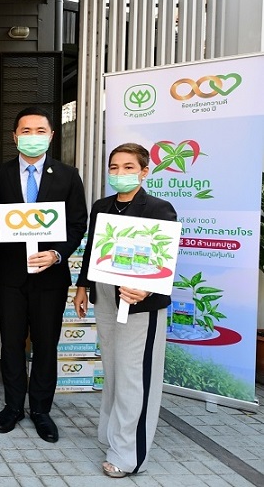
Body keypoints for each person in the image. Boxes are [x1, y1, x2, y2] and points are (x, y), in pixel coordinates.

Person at [72, 143, 176, 478]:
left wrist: (147, 288)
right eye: (114, 167)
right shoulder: (102, 206)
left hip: (139, 300)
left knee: (135, 378)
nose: (120, 174)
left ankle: (128, 454)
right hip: (105, 294)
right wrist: (83, 286)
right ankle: (111, 434)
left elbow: (165, 259)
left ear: (145, 171)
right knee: (114, 371)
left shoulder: (160, 209)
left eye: (129, 167)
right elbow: (92, 251)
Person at [0, 106, 87, 443]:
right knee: (12, 344)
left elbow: (77, 223)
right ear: (15, 137)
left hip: (50, 279)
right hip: (8, 276)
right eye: (25, 131)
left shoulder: (69, 175)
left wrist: (58, 254)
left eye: (39, 130)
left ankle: (41, 409)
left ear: (51, 135)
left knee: (46, 344)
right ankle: (13, 405)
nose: (32, 137)